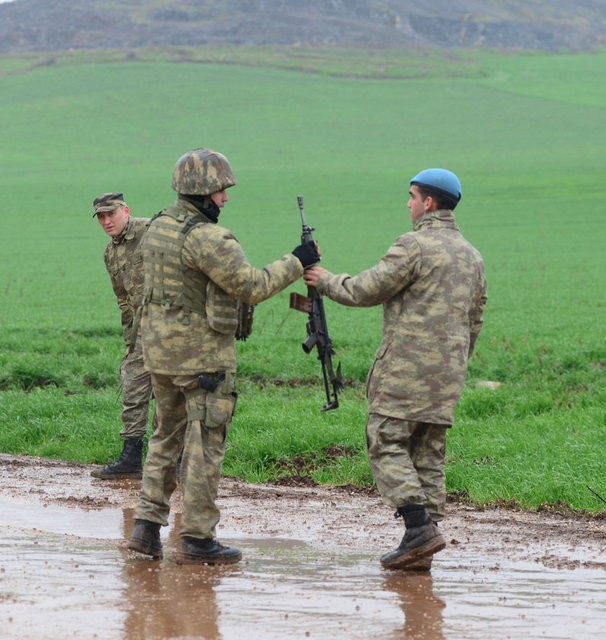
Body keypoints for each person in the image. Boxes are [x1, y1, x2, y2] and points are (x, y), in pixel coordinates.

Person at [127, 147, 319, 565]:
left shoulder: (158, 225)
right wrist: (297, 260)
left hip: (159, 353)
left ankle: (145, 527)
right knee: (204, 444)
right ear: (200, 192)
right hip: (201, 358)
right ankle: (197, 537)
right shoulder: (207, 237)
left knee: (164, 436)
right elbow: (250, 285)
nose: (224, 199)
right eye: (219, 191)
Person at [304, 168, 487, 571]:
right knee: (428, 454)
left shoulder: (414, 245)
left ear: (429, 203)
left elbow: (366, 290)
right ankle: (422, 544)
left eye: (412, 196)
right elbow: (476, 319)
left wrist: (325, 280)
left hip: (405, 372)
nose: (408, 203)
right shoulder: (472, 256)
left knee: (386, 441)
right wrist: (455, 364)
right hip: (447, 376)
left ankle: (418, 528)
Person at [91, 192, 155, 479]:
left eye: (111, 214)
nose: (106, 221)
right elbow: (123, 300)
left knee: (172, 394)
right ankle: (131, 458)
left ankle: (176, 460)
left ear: (125, 210)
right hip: (141, 332)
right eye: (101, 217)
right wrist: (130, 339)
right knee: (133, 387)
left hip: (171, 328)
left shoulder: (151, 231)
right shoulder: (110, 252)